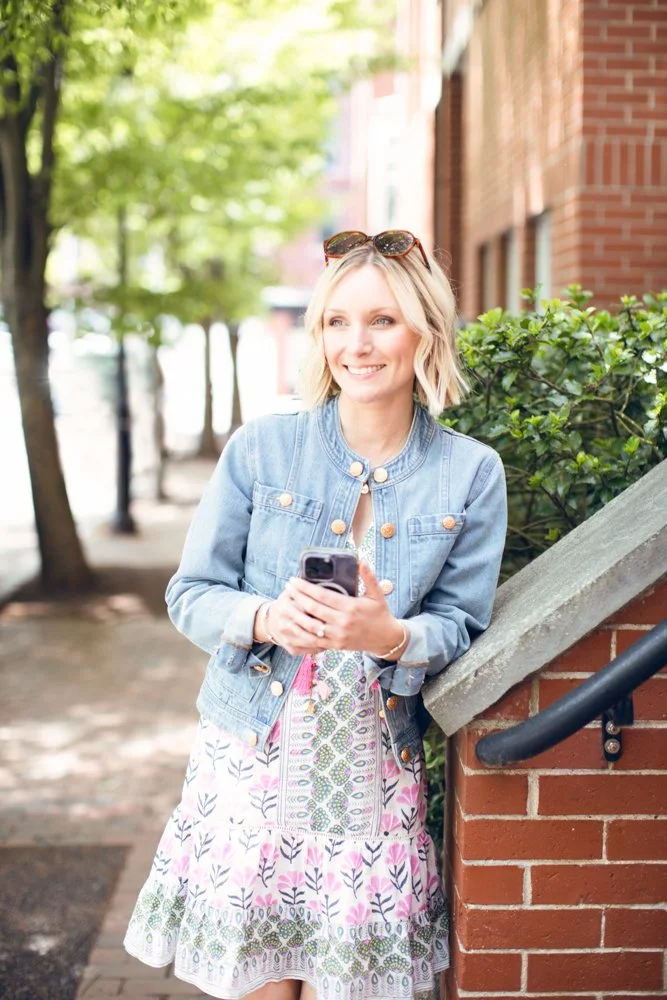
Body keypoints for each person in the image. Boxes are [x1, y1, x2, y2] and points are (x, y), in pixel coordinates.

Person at [124, 229, 507, 1000]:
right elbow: (191, 592)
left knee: (347, 984)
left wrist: (390, 636)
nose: (355, 345)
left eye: (381, 321)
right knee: (263, 983)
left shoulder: (470, 472)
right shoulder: (262, 450)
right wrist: (267, 620)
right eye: (336, 321)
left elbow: (461, 622)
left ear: (424, 330)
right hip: (252, 757)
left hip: (371, 768)